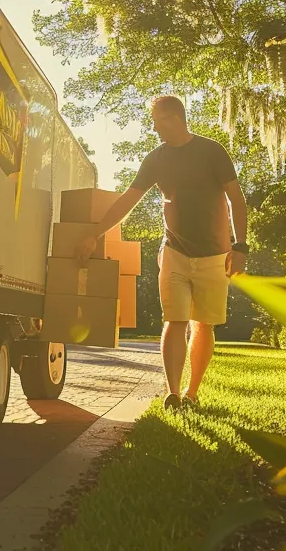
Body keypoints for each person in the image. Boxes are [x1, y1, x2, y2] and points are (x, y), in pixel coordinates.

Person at [78, 96, 247, 410]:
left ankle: (192, 393)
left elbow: (236, 200)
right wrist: (95, 233)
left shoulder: (212, 151)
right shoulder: (155, 159)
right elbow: (128, 200)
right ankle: (172, 393)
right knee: (176, 319)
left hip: (214, 255)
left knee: (204, 324)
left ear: (174, 118)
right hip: (174, 252)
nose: (154, 127)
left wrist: (240, 247)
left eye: (157, 120)